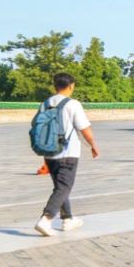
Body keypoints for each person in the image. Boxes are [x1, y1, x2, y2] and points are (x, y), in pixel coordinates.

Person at [36, 72, 98, 236]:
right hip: (67, 152)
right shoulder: (73, 104)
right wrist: (93, 145)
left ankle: (67, 219)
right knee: (64, 187)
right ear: (71, 86)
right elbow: (84, 128)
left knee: (60, 187)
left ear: (55, 86)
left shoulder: (45, 103)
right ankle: (46, 218)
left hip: (49, 152)